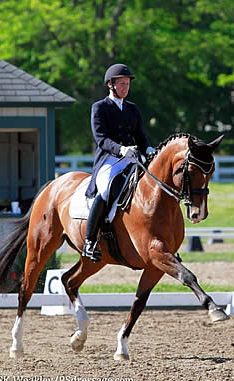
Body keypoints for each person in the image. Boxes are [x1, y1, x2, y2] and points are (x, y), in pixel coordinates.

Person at [82, 63, 155, 262]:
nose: (125, 87)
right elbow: (101, 139)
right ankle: (89, 241)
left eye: (127, 84)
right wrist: (121, 149)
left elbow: (140, 135)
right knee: (105, 189)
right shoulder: (100, 107)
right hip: (109, 159)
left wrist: (148, 149)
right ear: (110, 85)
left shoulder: (132, 109)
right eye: (121, 84)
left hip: (131, 158)